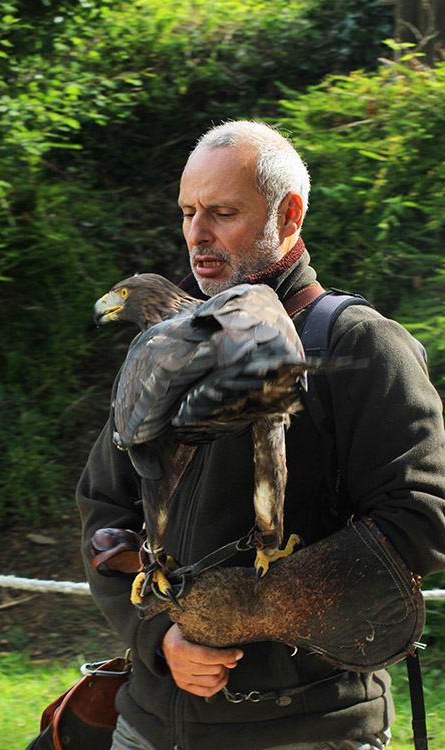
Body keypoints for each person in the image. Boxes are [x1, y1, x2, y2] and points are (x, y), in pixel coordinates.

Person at [76, 120, 445, 750]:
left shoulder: (356, 343)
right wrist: (161, 638)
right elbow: (105, 512)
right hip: (151, 723)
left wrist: (254, 608)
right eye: (188, 212)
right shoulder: (165, 349)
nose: (197, 233)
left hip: (307, 728)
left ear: (289, 215)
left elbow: (424, 519)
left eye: (222, 212)